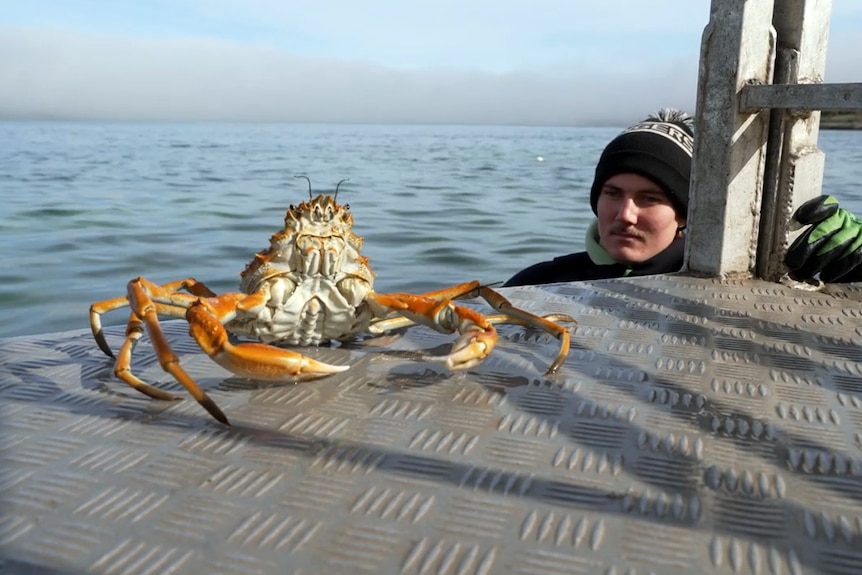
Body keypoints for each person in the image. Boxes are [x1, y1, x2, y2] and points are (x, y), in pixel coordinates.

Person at [504, 108, 862, 287]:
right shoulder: (539, 282)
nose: (624, 214)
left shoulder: (745, 280)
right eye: (612, 193)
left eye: (649, 198)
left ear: (685, 214)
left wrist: (855, 264)